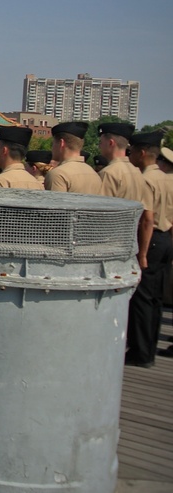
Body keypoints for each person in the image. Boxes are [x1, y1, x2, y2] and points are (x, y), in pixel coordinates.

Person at [96, 123, 155, 367]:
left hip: (108, 246)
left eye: (101, 141)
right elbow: (148, 218)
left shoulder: (110, 174)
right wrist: (142, 253)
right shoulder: (138, 175)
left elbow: (99, 215)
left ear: (110, 143)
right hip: (128, 247)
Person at [128, 131, 171, 368]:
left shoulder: (146, 180)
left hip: (150, 239)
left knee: (142, 298)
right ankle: (150, 348)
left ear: (142, 153)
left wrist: (142, 253)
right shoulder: (167, 178)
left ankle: (140, 352)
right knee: (156, 299)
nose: (130, 155)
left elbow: (146, 219)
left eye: (133, 150)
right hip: (165, 240)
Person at [44, 122, 102, 194]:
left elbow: (55, 204)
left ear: (61, 143)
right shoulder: (94, 174)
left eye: (53, 143)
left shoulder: (58, 174)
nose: (52, 148)